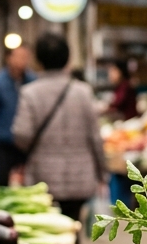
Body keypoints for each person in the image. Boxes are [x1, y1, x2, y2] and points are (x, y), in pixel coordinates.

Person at [11, 33, 107, 223]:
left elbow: (21, 133)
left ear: (38, 60)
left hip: (42, 175)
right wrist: (102, 174)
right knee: (73, 226)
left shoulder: (30, 93)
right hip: (81, 175)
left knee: (49, 229)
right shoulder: (83, 92)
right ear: (67, 58)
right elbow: (95, 137)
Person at [0, 46, 36, 187]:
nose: (22, 61)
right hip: (4, 139)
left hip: (27, 140)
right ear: (9, 58)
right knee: (3, 179)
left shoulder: (33, 81)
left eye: (25, 57)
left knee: (28, 181)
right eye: (19, 56)